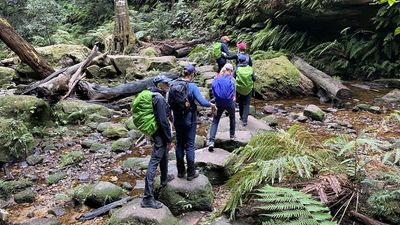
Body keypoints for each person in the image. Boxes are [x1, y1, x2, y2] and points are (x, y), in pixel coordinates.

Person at [169, 65, 217, 180]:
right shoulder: (192, 86)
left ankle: (180, 172)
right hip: (189, 119)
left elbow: (169, 101)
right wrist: (212, 105)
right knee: (190, 145)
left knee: (179, 143)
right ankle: (191, 173)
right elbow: (201, 101)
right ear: (191, 74)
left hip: (177, 118)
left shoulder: (173, 84)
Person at [141, 75, 174, 209]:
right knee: (154, 163)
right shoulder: (158, 98)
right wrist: (169, 138)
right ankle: (147, 198)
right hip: (159, 132)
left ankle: (164, 178)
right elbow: (162, 121)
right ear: (159, 85)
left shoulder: (154, 94)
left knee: (164, 153)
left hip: (156, 132)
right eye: (166, 83)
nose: (168, 86)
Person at [208, 63, 236, 152]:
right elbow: (234, 93)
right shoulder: (232, 79)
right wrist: (233, 98)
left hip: (219, 102)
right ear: (230, 70)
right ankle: (232, 136)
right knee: (232, 117)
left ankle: (211, 141)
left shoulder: (217, 78)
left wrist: (216, 99)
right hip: (229, 102)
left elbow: (213, 89)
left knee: (215, 121)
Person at [234, 54, 256, 126]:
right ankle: (245, 120)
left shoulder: (237, 69)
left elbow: (233, 78)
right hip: (248, 89)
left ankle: (241, 116)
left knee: (240, 103)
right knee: (246, 104)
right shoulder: (250, 68)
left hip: (239, 89)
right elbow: (254, 79)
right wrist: (255, 76)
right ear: (246, 61)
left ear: (239, 61)